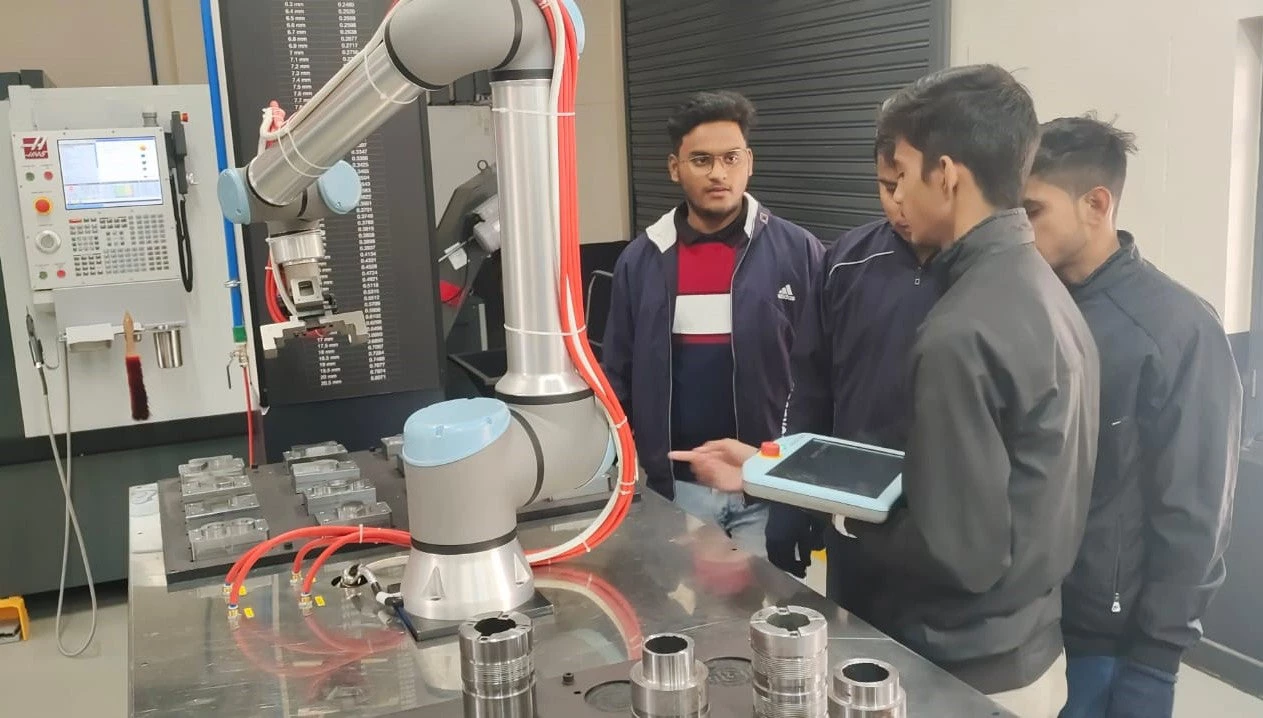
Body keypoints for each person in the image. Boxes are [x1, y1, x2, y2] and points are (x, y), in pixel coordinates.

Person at [671, 65, 1100, 717]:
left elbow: (958, 551)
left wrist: (837, 517)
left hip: (953, 664)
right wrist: (772, 474)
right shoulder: (1042, 293)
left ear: (946, 176)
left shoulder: (962, 326)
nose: (894, 197)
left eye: (901, 176)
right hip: (1016, 640)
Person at [1022, 116, 1242, 718]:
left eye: (1032, 210)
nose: (1018, 229)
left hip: (1111, 647)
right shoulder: (1027, 305)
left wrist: (1155, 662)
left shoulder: (1176, 330)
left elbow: (1195, 515)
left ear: (1096, 204)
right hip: (1020, 627)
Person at [601, 90, 824, 556]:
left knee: (766, 613)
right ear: (674, 167)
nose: (718, 173)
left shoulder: (798, 252)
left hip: (767, 486)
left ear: (750, 162)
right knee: (690, 621)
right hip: (677, 491)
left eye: (730, 158)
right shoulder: (641, 261)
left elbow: (824, 371)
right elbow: (615, 377)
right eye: (701, 160)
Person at [767, 118, 944, 620]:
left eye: (909, 187)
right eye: (888, 188)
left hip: (940, 531)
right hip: (852, 522)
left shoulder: (981, 274)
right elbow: (811, 389)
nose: (900, 204)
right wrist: (792, 500)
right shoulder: (845, 260)